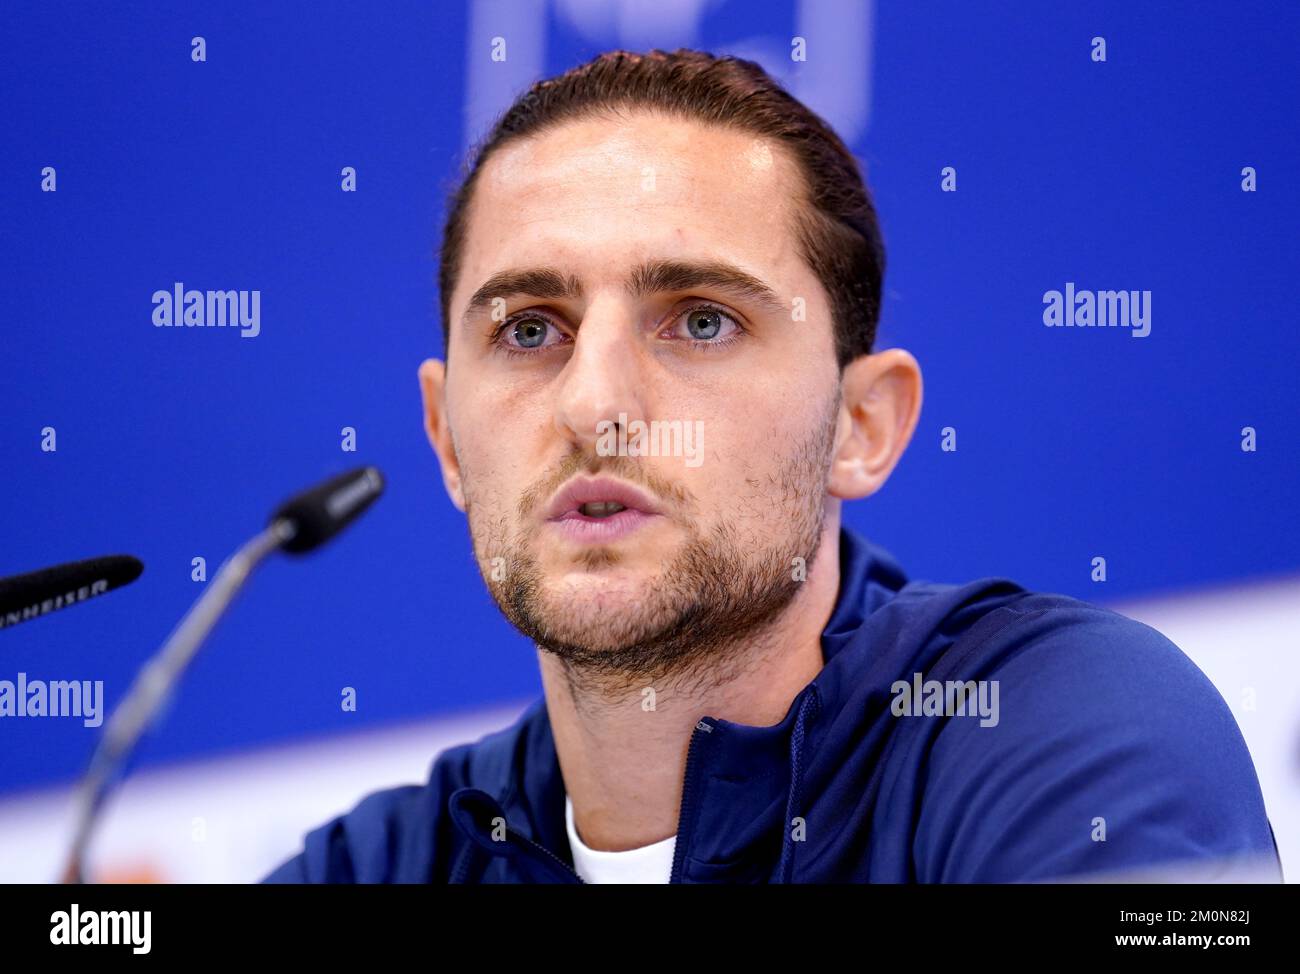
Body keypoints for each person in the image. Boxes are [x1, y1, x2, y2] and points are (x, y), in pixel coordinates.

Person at [263, 49, 1281, 883]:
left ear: (860, 424)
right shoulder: (383, 864)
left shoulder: (1055, 722)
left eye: (701, 320)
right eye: (531, 329)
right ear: (446, 438)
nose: (593, 404)